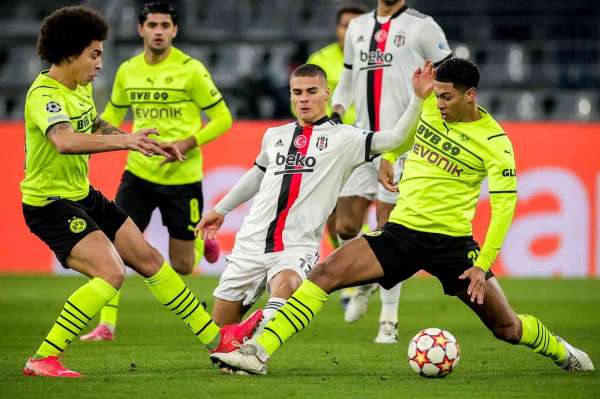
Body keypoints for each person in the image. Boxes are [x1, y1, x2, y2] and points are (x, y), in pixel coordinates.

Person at [210, 58, 594, 375]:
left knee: (507, 328)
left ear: (470, 95)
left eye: (446, 97)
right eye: (436, 95)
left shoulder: (495, 142)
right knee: (323, 274)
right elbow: (402, 137)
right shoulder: (429, 105)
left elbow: (505, 207)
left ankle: (561, 351)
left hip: (452, 246)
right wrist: (389, 160)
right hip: (400, 234)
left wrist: (483, 264)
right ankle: (258, 352)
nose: (439, 103)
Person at [20, 5, 260, 378]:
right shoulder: (45, 95)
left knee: (148, 259)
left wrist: (140, 141)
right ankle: (42, 358)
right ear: (69, 53)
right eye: (94, 54)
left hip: (82, 194)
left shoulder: (79, 88)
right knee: (111, 273)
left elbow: (95, 123)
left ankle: (219, 341)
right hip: (49, 204)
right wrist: (127, 142)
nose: (100, 63)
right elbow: (64, 141)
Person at [195, 62, 424, 350]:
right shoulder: (274, 136)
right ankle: (250, 334)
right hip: (251, 242)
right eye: (297, 92)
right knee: (220, 341)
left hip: (296, 246)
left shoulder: (345, 138)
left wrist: (418, 98)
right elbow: (257, 173)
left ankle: (258, 339)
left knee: (288, 286)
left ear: (326, 93)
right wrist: (221, 210)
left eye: (311, 91)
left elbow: (396, 138)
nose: (303, 98)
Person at [80, 1, 232, 342]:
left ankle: (204, 245)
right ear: (141, 29)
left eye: (165, 25)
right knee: (115, 246)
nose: (159, 31)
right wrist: (93, 147)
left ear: (175, 30)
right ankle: (107, 324)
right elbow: (112, 118)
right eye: (153, 25)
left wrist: (190, 142)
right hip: (138, 174)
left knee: (181, 265)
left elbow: (224, 118)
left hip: (182, 177)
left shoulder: (191, 70)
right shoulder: (127, 71)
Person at [331, 0, 453, 343]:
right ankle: (365, 281)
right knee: (346, 225)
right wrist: (338, 108)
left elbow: (451, 78)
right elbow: (348, 77)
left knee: (388, 230)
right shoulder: (357, 27)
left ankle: (389, 319)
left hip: (406, 143)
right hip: (364, 140)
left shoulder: (423, 26)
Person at [304, 3, 367, 305]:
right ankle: (355, 280)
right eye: (345, 26)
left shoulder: (376, 61)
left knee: (350, 219)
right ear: (337, 29)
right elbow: (305, 101)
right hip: (328, 147)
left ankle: (363, 277)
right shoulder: (320, 60)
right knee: (331, 217)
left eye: (356, 25)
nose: (350, 31)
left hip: (367, 145)